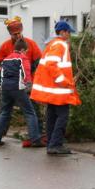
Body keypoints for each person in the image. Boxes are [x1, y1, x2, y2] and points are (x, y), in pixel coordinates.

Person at [30, 21, 81, 155]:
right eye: (69, 32)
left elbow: (49, 65)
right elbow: (51, 65)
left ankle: (51, 145)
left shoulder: (52, 45)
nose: (69, 34)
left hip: (52, 90)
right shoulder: (60, 45)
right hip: (59, 90)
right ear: (63, 32)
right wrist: (62, 81)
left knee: (51, 116)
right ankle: (55, 144)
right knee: (62, 117)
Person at [0, 16, 44, 146]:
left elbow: (39, 62)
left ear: (22, 31)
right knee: (9, 111)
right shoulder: (5, 46)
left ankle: (37, 134)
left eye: (18, 33)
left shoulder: (31, 44)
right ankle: (34, 138)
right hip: (16, 85)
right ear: (10, 33)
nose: (17, 36)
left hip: (27, 84)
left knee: (33, 109)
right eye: (14, 34)